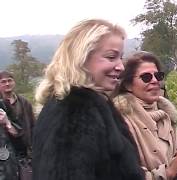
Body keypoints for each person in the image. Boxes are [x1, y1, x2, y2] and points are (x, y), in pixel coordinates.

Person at [32, 19, 144, 180]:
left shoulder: (90, 104)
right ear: (81, 58)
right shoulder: (74, 112)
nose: (121, 66)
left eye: (121, 57)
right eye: (111, 57)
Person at [113, 51, 177, 180]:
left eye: (158, 75)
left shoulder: (167, 115)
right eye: (146, 77)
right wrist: (169, 172)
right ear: (128, 85)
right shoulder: (121, 121)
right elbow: (125, 174)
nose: (155, 81)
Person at [0, 71, 35, 180]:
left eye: (9, 80)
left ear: (14, 82)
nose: (7, 84)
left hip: (25, 153)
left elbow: (33, 125)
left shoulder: (24, 103)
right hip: (5, 155)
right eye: (3, 82)